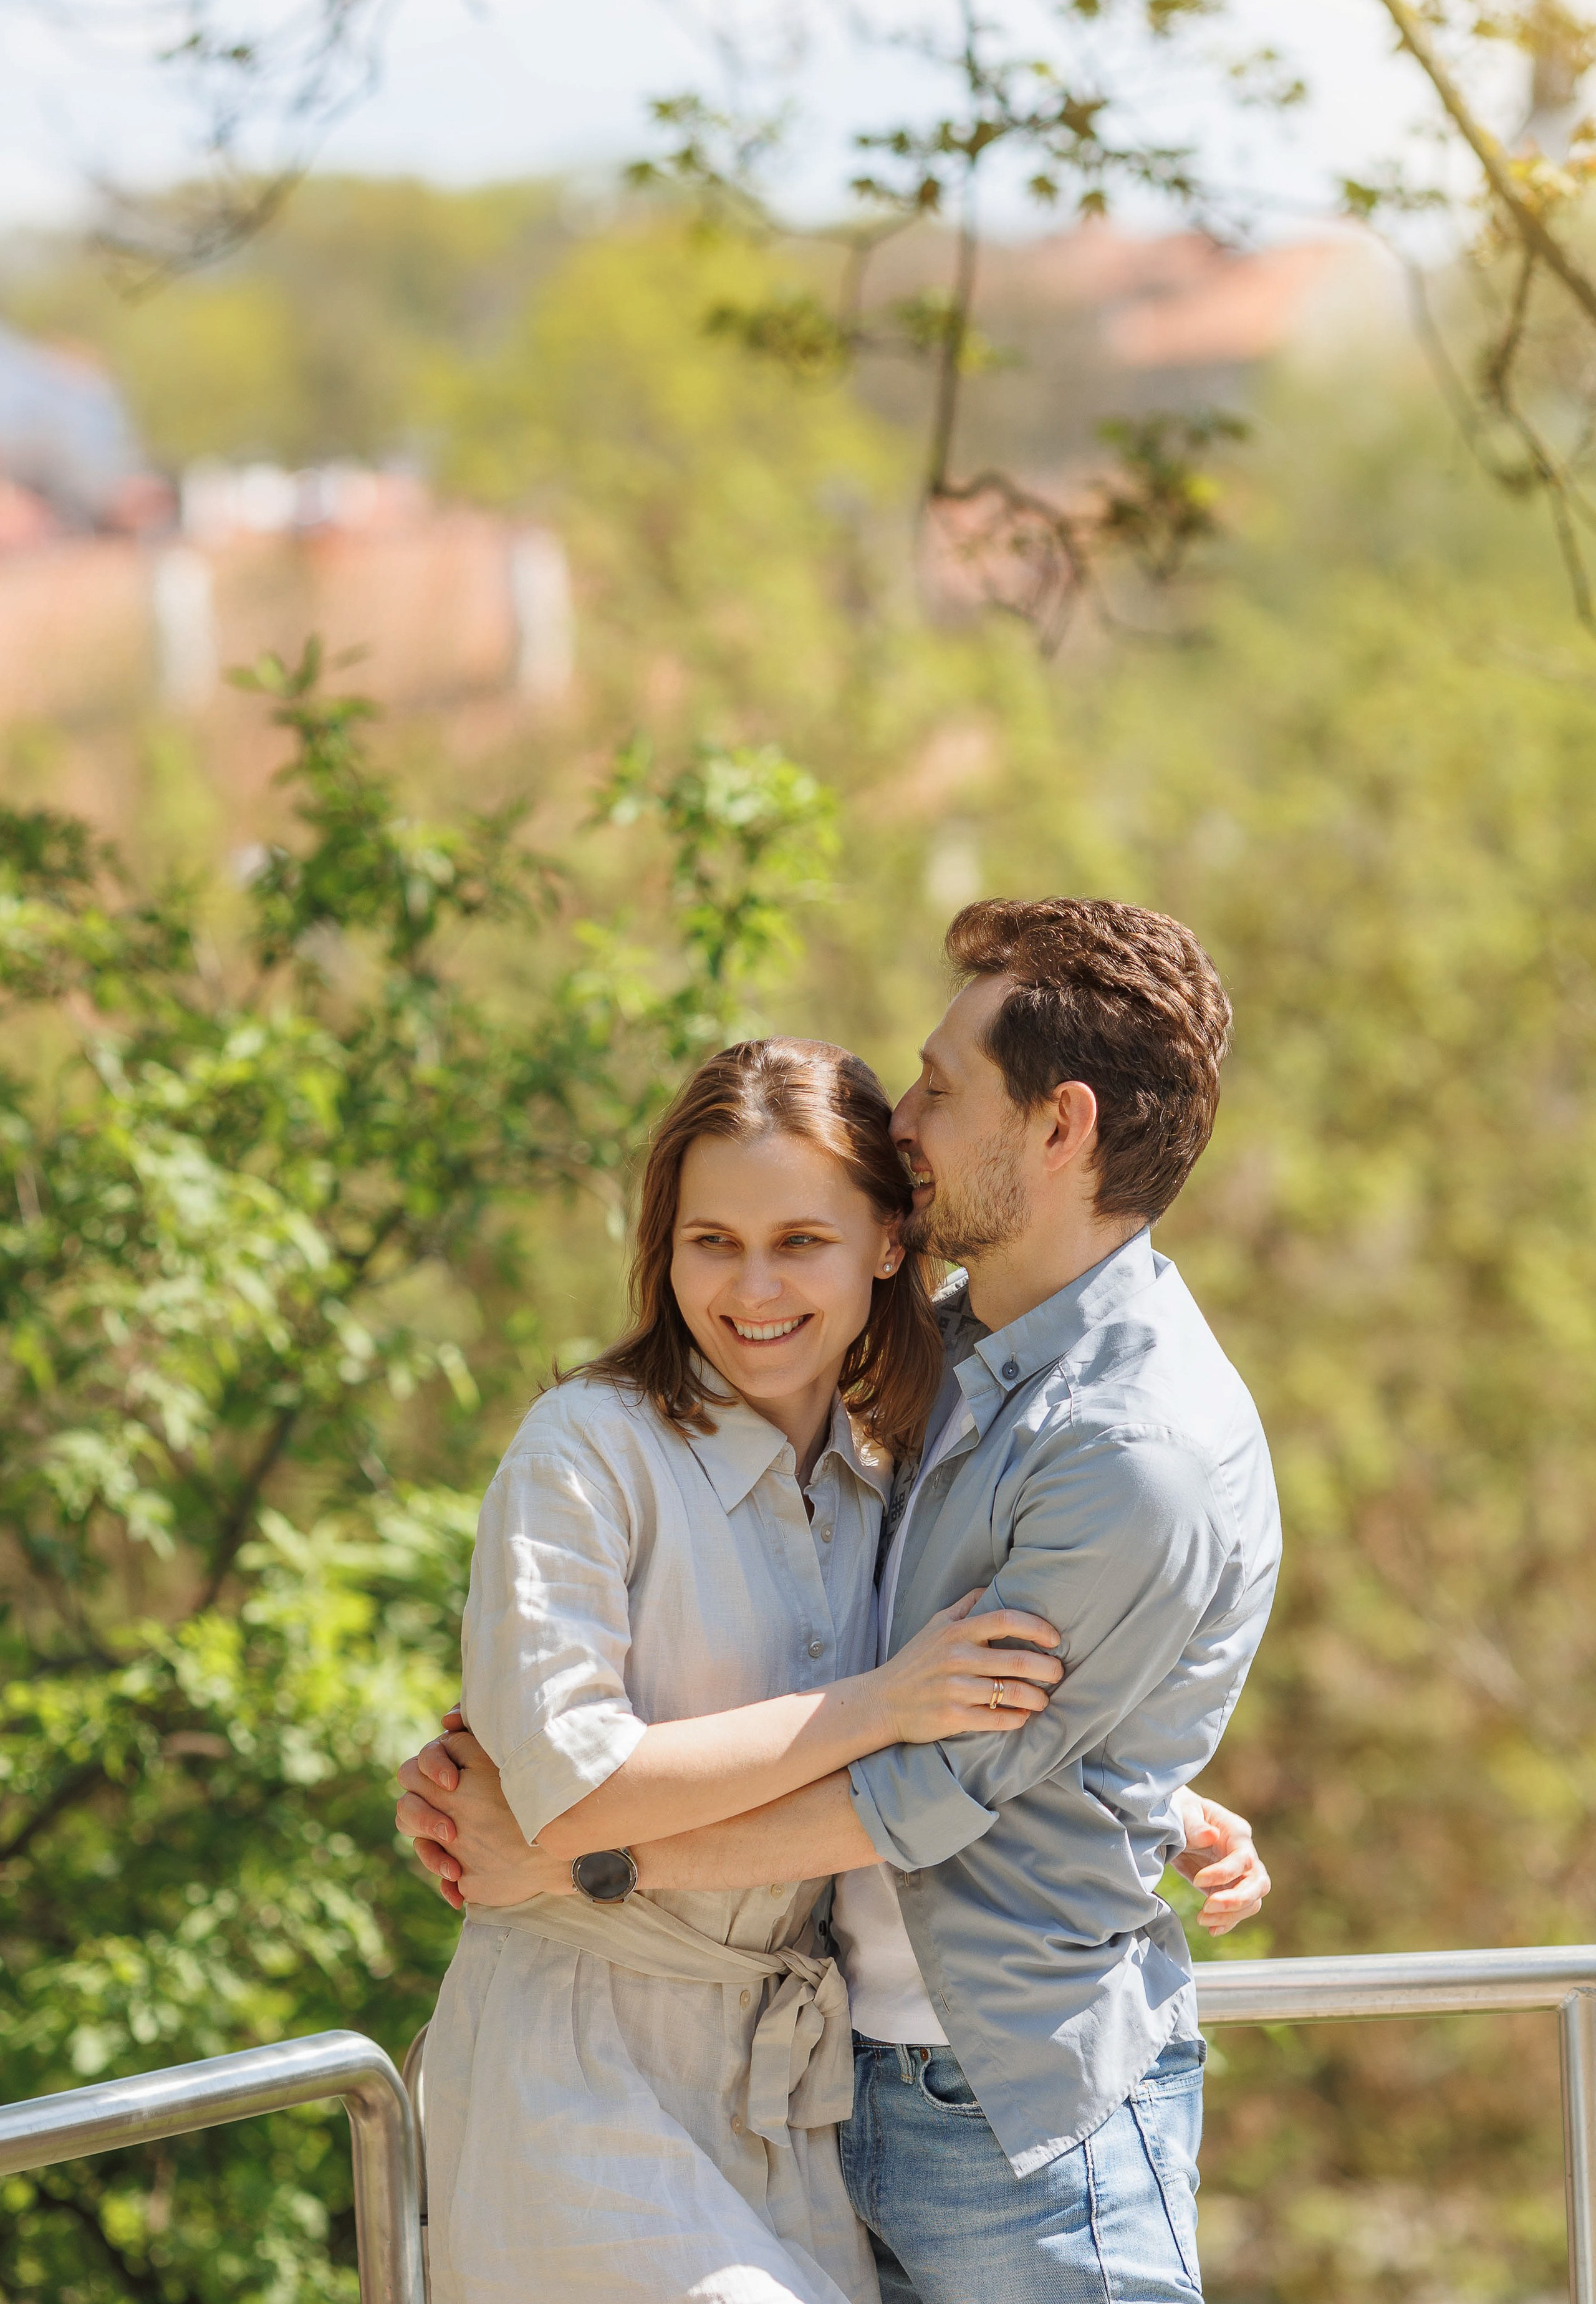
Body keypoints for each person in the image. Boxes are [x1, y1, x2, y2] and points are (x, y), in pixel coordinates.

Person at [400, 898, 1282, 2304]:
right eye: (711, 1242)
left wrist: (570, 1859)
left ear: (1054, 1129)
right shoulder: (931, 1388)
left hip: (957, 2109)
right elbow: (898, 1693)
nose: (910, 1120)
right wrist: (1121, 1787)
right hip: (738, 2087)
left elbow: (925, 1775)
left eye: (938, 1088)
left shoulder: (1093, 1442)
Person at [419, 1036, 1078, 2304]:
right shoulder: (582, 1453)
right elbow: (575, 1788)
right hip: (575, 2072)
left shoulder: (891, 1481)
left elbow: (971, 1720)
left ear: (888, 1244)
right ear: (662, 1248)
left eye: (800, 1241)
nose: (750, 1286)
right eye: (709, 1240)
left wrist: (1166, 1808)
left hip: (794, 2102)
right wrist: (874, 1703)